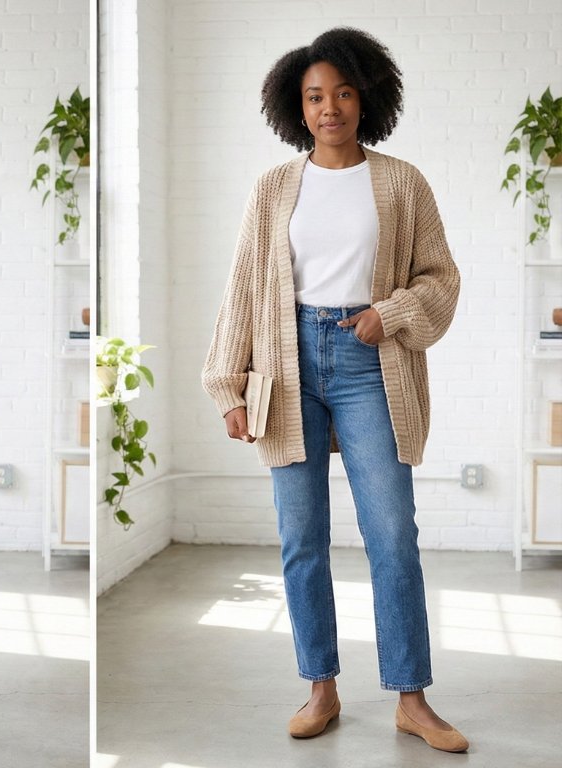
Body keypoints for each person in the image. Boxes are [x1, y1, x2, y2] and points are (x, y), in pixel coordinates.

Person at [202, 27, 467, 752]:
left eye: (343, 93)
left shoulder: (403, 182)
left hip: (368, 362)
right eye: (315, 96)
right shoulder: (274, 188)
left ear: (366, 97)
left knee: (392, 537)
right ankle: (320, 687)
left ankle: (411, 698)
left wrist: (393, 313)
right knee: (301, 540)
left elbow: (441, 277)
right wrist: (230, 384)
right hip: (286, 368)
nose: (329, 108)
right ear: (297, 106)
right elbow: (245, 288)